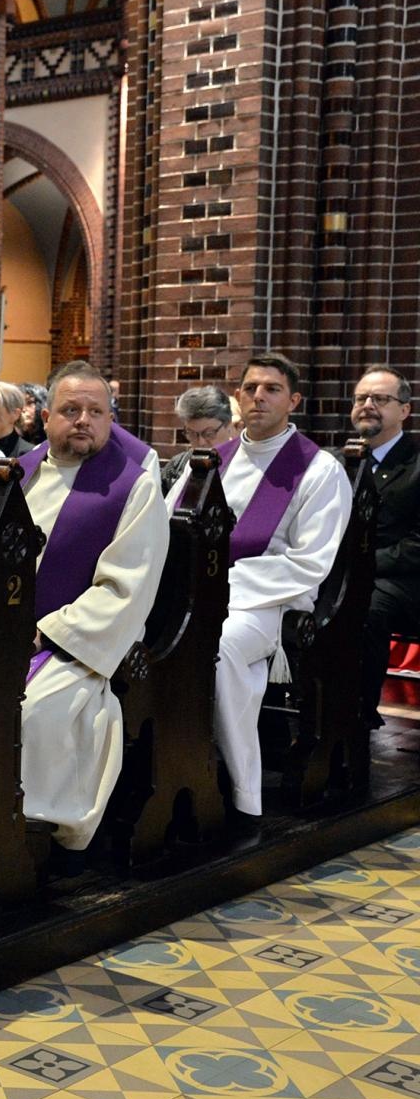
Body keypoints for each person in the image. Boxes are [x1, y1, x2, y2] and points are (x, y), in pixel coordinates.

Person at [184, 354, 352, 825]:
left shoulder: (319, 470)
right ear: (237, 397)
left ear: (293, 400)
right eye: (250, 388)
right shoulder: (210, 462)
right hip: (197, 593)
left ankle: (238, 786)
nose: (259, 397)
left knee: (220, 647)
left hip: (268, 604)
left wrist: (221, 586)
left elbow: (310, 561)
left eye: (272, 389)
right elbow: (170, 525)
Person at [14, 367, 170, 862]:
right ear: (45, 418)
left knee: (35, 710)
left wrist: (45, 633)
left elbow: (125, 587)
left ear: (110, 419)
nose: (83, 420)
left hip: (71, 642)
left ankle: (36, 832)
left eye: (96, 412)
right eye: (70, 410)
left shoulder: (134, 488)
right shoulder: (11, 474)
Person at [346, 365, 419, 728]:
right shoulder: (338, 462)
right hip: (343, 569)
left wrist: (362, 564)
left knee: (364, 606)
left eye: (380, 399)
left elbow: (416, 546)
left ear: (404, 410)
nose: (367, 405)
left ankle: (357, 715)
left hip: (401, 580)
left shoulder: (416, 464)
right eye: (361, 398)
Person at [162, 385, 238, 495]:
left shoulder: (242, 464)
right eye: (192, 434)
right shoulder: (176, 468)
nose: (201, 442)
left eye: (209, 433)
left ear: (229, 426)